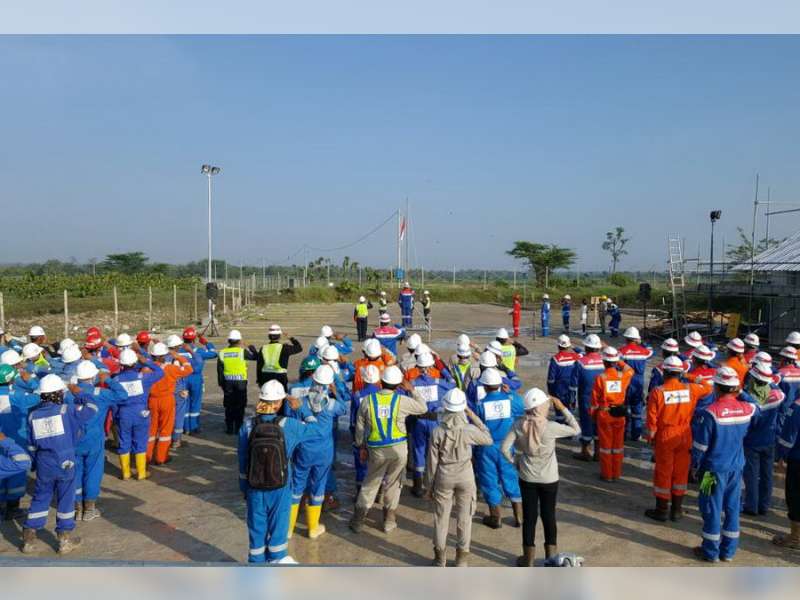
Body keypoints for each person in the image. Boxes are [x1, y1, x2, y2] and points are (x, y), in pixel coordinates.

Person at [238, 380, 326, 564]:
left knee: (256, 538)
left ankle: (256, 572)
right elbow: (319, 431)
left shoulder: (246, 426)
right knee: (278, 538)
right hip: (281, 487)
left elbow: (242, 463)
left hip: (255, 488)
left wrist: (245, 489)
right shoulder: (290, 425)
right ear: (279, 403)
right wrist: (303, 410)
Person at [21, 374, 98, 554]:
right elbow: (92, 407)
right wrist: (79, 392)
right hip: (65, 460)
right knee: (65, 497)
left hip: (43, 461)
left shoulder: (33, 415)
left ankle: (29, 539)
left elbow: (31, 443)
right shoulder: (67, 410)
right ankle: (64, 540)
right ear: (59, 393)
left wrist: (34, 464)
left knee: (41, 496)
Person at [502, 388, 580, 566]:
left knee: (529, 518)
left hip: (527, 477)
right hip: (549, 479)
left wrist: (516, 462)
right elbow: (576, 429)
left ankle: (527, 558)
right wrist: (562, 408)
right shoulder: (551, 427)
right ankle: (550, 557)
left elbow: (505, 449)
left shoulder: (518, 425)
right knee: (549, 515)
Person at [349, 366, 427, 534]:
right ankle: (389, 521)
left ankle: (358, 520)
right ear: (398, 384)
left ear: (381, 381)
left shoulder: (367, 401)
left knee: (370, 484)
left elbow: (360, 427)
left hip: (376, 450)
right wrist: (412, 390)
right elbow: (423, 408)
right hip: (398, 450)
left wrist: (361, 446)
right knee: (393, 485)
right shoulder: (401, 401)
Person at [691, 367, 756, 563]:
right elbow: (755, 404)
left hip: (711, 471)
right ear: (734, 388)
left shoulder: (709, 413)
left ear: (716, 388)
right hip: (735, 470)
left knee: (710, 507)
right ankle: (728, 552)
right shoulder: (747, 409)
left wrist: (695, 466)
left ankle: (710, 551)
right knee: (732, 508)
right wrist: (741, 391)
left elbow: (700, 447)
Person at [426, 388, 492, 567]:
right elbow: (488, 437)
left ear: (445, 409)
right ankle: (462, 559)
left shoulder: (437, 431)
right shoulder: (469, 429)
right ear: (463, 409)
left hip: (444, 475)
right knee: (465, 518)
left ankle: (440, 558)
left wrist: (429, 486)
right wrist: (472, 415)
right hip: (465, 475)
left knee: (441, 518)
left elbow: (431, 463)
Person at [643, 356, 713, 522]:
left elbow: (652, 419)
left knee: (664, 471)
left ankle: (661, 510)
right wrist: (689, 376)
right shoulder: (690, 389)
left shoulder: (658, 392)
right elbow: (708, 387)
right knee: (681, 471)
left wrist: (651, 437)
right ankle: (676, 510)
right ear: (679, 373)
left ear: (665, 372)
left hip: (666, 436)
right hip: (684, 434)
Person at [286, 364, 348, 540]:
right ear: (329, 384)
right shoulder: (332, 405)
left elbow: (294, 423)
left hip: (304, 450)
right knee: (318, 486)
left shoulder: (301, 402)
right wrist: (335, 391)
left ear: (313, 380)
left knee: (297, 485)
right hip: (324, 452)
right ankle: (313, 528)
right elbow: (344, 408)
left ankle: (289, 529)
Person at [72, 360, 128, 521]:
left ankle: (76, 508)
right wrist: (108, 380)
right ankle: (89, 508)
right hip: (94, 439)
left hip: (73, 439)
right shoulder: (101, 394)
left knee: (75, 472)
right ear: (93, 376)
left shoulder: (69, 393)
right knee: (93, 472)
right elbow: (123, 396)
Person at [469, 367, 525, 529]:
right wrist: (511, 394)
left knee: (489, 480)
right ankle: (519, 517)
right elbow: (523, 407)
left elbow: (475, 427)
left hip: (486, 448)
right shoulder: (511, 400)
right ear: (500, 384)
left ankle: (496, 517)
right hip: (507, 446)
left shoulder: (480, 405)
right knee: (511, 478)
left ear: (485, 386)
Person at [408, 352, 455, 497]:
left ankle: (418, 486)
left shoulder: (413, 384)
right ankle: (435, 485)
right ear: (430, 366)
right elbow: (453, 383)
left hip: (418, 421)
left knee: (419, 451)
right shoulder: (438, 383)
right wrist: (441, 367)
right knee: (435, 453)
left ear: (418, 367)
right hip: (435, 421)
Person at [741, 361, 784, 516]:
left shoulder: (749, 399)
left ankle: (751, 506)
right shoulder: (777, 394)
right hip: (770, 440)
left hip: (752, 442)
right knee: (767, 474)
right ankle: (764, 505)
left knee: (751, 475)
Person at [115, 348, 164, 481]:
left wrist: (116, 416)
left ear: (121, 363)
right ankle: (141, 473)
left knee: (124, 441)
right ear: (135, 362)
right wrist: (147, 362)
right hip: (141, 412)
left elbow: (114, 402)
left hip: (124, 412)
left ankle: (126, 473)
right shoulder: (143, 378)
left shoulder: (117, 380)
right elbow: (160, 372)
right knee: (140, 441)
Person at [0, 364, 39, 521]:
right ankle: (12, 508)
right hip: (16, 441)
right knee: (17, 473)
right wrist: (30, 381)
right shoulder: (17, 396)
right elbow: (39, 395)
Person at [591, 346, 634, 482]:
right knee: (618, 447)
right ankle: (616, 474)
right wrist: (619, 360)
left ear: (603, 362)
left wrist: (593, 415)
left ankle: (607, 475)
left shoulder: (600, 378)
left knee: (606, 447)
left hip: (605, 415)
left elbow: (594, 400)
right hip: (619, 414)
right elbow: (630, 370)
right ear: (615, 362)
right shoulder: (623, 376)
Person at [147, 340, 193, 466]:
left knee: (151, 430)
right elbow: (188, 370)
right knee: (165, 430)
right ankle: (161, 458)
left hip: (151, 400)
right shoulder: (171, 369)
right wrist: (179, 357)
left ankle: (148, 456)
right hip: (167, 400)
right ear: (166, 355)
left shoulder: (147, 369)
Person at [569, 334, 605, 461]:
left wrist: (572, 401)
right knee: (598, 424)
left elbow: (573, 385)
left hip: (586, 398)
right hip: (602, 400)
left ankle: (586, 452)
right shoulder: (605, 362)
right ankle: (598, 453)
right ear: (598, 348)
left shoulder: (580, 363)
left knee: (586, 423)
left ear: (586, 346)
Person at [217, 330, 259, 435]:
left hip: (227, 382)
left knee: (229, 405)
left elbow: (220, 370)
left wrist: (222, 384)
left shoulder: (222, 353)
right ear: (239, 340)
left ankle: (230, 428)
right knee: (240, 405)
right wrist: (251, 347)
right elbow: (256, 357)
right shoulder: (242, 351)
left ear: (228, 340)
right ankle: (238, 427)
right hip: (240, 382)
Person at [775, 379, 800, 549]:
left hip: (798, 459)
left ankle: (796, 537)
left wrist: (781, 456)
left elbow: (788, 436)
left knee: (795, 496)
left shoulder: (797, 407)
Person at [350, 364, 381, 500]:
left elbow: (352, 420)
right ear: (378, 379)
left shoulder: (357, 396)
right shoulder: (382, 395)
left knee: (361, 465)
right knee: (379, 465)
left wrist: (355, 438)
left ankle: (359, 494)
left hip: (362, 434)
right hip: (379, 435)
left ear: (364, 379)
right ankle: (379, 493)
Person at [179, 326, 217, 436]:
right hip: (196, 379)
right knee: (195, 403)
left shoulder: (178, 351)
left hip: (182, 379)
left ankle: (185, 427)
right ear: (194, 339)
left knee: (184, 403)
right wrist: (205, 341)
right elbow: (213, 353)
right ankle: (194, 427)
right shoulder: (199, 351)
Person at [619, 327, 653, 441]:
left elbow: (616, 362)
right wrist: (641, 342)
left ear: (626, 338)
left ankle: (623, 433)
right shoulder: (644, 351)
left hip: (626, 381)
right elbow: (651, 351)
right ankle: (636, 434)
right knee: (637, 408)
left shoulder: (622, 351)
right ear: (636, 338)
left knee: (623, 408)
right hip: (639, 382)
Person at [546, 335, 580, 421]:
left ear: (558, 346)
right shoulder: (576, 357)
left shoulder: (555, 359)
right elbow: (582, 353)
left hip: (559, 388)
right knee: (571, 407)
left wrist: (551, 392)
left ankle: (561, 427)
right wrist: (573, 347)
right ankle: (571, 427)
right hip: (572, 388)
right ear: (568, 346)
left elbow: (551, 379)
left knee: (559, 409)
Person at [0, 432, 31, 521]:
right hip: (15, 446)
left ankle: (7, 508)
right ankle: (12, 509)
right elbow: (22, 462)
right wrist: (4, 440)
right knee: (16, 480)